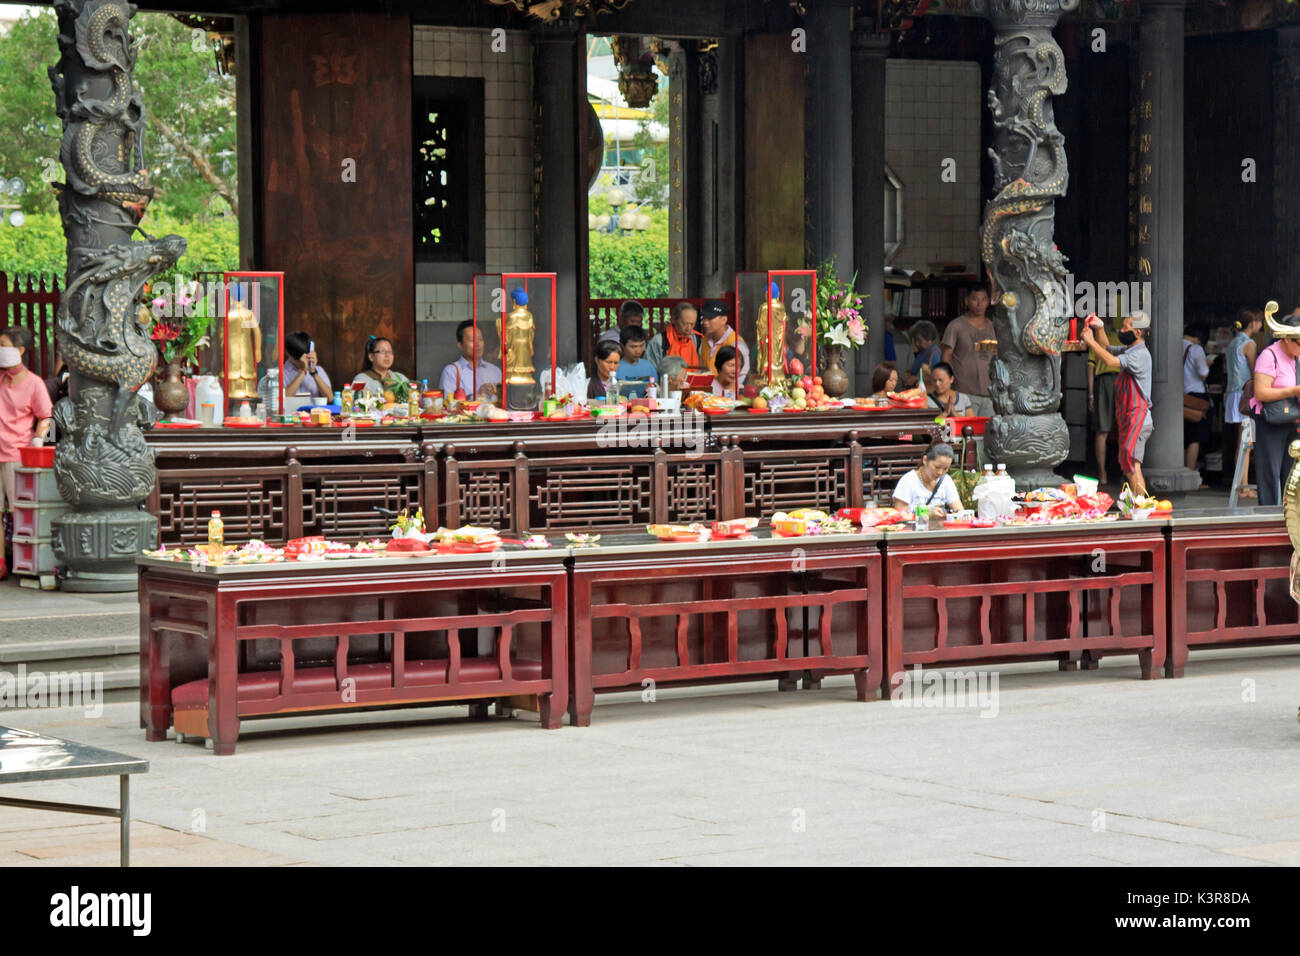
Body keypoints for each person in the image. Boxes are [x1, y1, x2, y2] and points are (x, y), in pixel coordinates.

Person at [1081, 310, 1153, 497]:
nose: (1122, 330)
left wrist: (1089, 342)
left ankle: (1142, 504)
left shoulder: (1140, 355)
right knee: (1128, 463)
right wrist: (1099, 328)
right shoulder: (1131, 350)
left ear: (1137, 332)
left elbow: (1111, 361)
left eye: (1125, 327)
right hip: (1130, 418)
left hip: (1139, 419)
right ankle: (1139, 503)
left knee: (1132, 463)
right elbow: (1107, 348)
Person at [0, 326, 53, 581]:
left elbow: (46, 416)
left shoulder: (34, 383)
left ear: (20, 350)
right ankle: (0, 562)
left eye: (4, 345)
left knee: (19, 511)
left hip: (16, 454)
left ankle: (25, 561)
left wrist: (37, 440)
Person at [1249, 310, 1300, 507]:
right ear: (1286, 339)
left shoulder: (1296, 356)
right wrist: (1292, 390)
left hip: (1292, 419)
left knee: (1291, 473)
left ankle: (1291, 516)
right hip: (1270, 419)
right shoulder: (1269, 355)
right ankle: (1268, 515)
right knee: (1269, 471)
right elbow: (1260, 393)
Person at [1225, 308, 1262, 500]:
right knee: (1246, 442)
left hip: (1232, 393)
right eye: (1259, 321)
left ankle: (1241, 485)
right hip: (1245, 395)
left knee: (1241, 442)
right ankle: (1244, 487)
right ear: (1252, 323)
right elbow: (1257, 370)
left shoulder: (1233, 342)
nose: (1261, 324)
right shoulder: (1249, 344)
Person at [941, 288, 996, 417]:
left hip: (989, 392)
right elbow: (945, 357)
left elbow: (994, 355)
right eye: (975, 299)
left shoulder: (992, 326)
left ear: (988, 302)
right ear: (967, 301)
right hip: (963, 391)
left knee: (988, 434)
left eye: (983, 299)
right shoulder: (956, 326)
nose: (979, 304)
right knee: (966, 432)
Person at [892, 442, 962, 517]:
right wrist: (926, 513)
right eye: (937, 467)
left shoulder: (946, 480)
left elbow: (960, 511)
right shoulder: (908, 481)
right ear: (925, 460)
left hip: (940, 527)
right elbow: (900, 516)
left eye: (945, 468)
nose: (940, 472)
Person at [1087, 319, 1118, 486]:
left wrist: (1091, 395)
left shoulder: (1101, 341)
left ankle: (1104, 474)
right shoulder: (1121, 337)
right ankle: (1107, 473)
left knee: (1103, 431)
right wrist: (1091, 395)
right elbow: (1091, 367)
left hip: (1110, 381)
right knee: (1110, 430)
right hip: (1113, 380)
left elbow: (1090, 368)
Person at [439, 320, 502, 399]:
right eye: (472, 340)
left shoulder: (495, 371)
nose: (478, 344)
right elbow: (448, 404)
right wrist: (477, 395)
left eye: (480, 339)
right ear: (460, 345)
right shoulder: (451, 372)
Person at [1182, 324, 1212, 485]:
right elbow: (1203, 372)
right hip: (1196, 397)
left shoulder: (1174, 345)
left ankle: (1181, 471)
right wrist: (1208, 363)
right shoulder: (1196, 349)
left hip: (1180, 395)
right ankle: (1191, 477)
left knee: (1183, 436)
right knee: (1195, 437)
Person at [699, 299, 750, 385]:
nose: (705, 322)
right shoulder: (705, 340)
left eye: (710, 318)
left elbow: (742, 377)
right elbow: (701, 369)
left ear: (723, 320)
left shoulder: (736, 343)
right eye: (704, 318)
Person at [646, 301, 702, 371]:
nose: (689, 328)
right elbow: (650, 371)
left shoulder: (698, 340)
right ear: (673, 320)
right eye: (684, 324)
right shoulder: (659, 341)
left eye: (692, 324)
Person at [282, 331, 332, 398]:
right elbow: (282, 399)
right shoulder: (281, 372)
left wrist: (313, 373)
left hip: (314, 408)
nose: (303, 361)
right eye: (299, 359)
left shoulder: (318, 370)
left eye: (307, 357)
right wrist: (303, 371)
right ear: (287, 353)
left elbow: (330, 398)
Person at [617, 326, 657, 399]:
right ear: (622, 345)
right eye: (633, 347)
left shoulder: (649, 366)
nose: (638, 351)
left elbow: (656, 389)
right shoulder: (616, 367)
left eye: (641, 346)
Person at [908, 320, 941, 386]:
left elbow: (938, 378)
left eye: (919, 340)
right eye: (914, 339)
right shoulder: (921, 352)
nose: (916, 343)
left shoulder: (934, 355)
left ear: (929, 339)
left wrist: (915, 379)